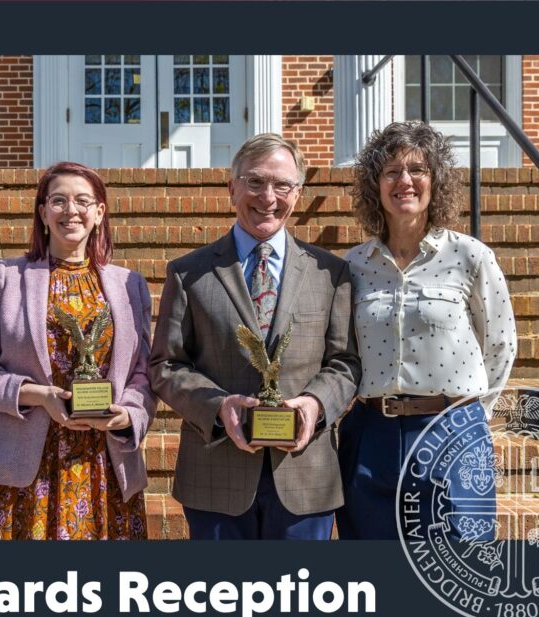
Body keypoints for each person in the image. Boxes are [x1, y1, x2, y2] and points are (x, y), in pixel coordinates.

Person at [149, 133, 361, 540]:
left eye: (282, 185)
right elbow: (165, 365)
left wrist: (316, 404)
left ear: (297, 194)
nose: (269, 197)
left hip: (304, 476)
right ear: (232, 188)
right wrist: (217, 406)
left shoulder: (330, 273)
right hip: (216, 476)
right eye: (255, 182)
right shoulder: (189, 273)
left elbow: (345, 363)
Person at [337, 120, 517, 540]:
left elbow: (501, 344)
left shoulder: (470, 255)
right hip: (370, 433)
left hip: (451, 430)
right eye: (391, 172)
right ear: (374, 186)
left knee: (458, 568)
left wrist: (472, 416)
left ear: (435, 180)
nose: (405, 181)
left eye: (417, 169)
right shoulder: (353, 266)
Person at [0, 161, 154, 540]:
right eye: (59, 200)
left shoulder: (130, 284)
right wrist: (38, 395)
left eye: (83, 200)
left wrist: (127, 416)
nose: (71, 211)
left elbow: (143, 374)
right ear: (43, 212)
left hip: (103, 466)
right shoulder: (7, 278)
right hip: (19, 469)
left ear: (99, 213)